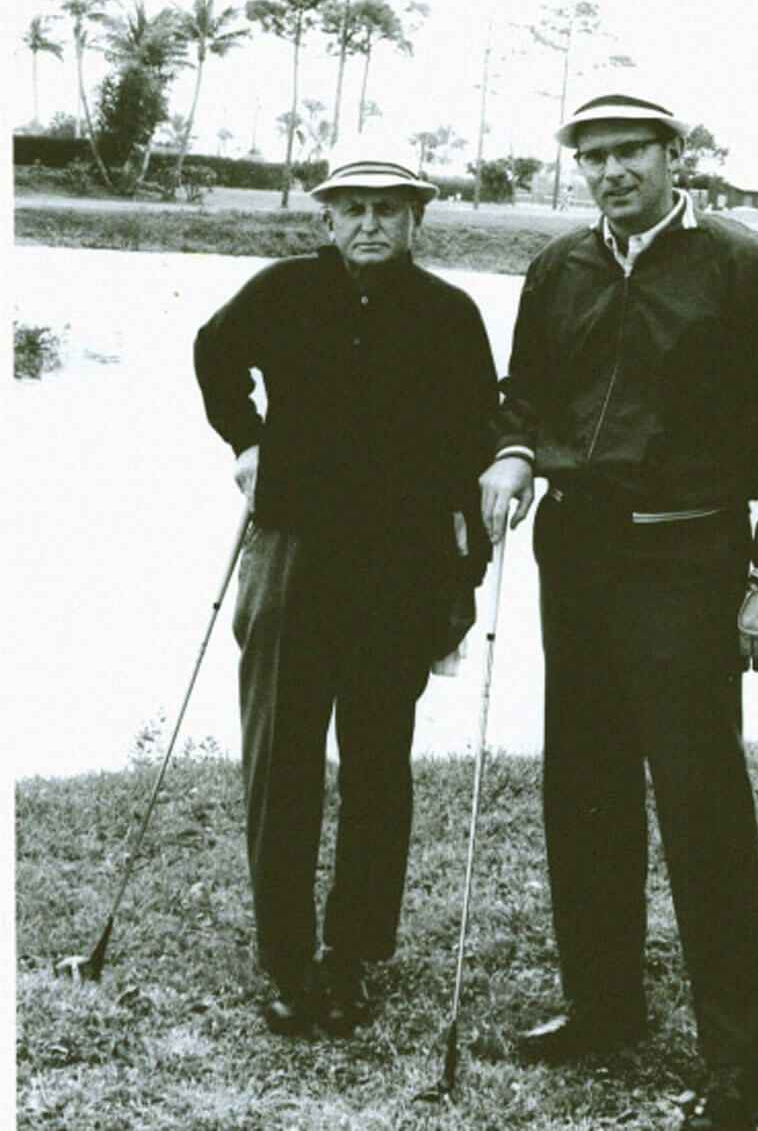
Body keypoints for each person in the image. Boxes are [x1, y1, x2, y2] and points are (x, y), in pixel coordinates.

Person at [479, 90, 758, 1130]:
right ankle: (604, 1007)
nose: (611, 171)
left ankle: (736, 1067)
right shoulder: (561, 268)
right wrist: (510, 451)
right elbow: (526, 392)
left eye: (630, 151)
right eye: (592, 156)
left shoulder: (744, 268)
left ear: (672, 155)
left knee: (699, 804)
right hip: (577, 551)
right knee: (583, 785)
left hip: (689, 554)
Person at [194, 139, 498, 1038]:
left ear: (416, 219)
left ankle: (351, 956)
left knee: (376, 767)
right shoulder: (283, 289)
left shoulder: (450, 313)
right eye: (353, 208)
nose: (370, 223)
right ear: (326, 217)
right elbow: (214, 355)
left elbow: (477, 444)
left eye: (389, 209)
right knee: (281, 759)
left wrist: (464, 575)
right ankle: (287, 961)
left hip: (400, 568)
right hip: (291, 553)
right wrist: (246, 441)